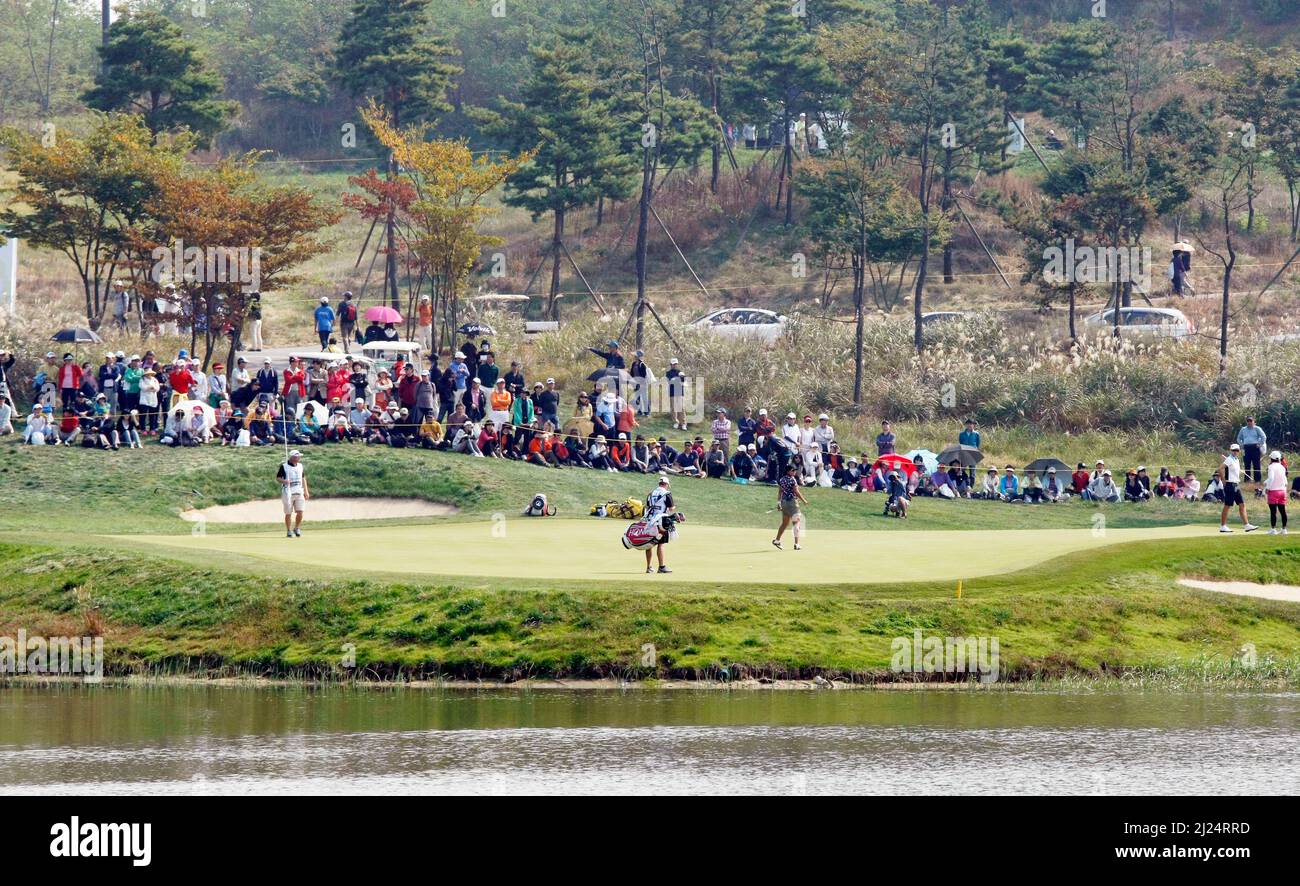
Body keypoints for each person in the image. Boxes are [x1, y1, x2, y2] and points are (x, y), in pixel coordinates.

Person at [1219, 443, 1257, 533]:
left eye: (1237, 450)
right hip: (1230, 485)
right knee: (1227, 505)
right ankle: (1223, 526)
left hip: (1236, 484)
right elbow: (1220, 469)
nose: (1235, 452)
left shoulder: (1236, 460)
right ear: (1231, 450)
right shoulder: (1229, 459)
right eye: (1233, 450)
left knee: (1242, 504)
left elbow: (1234, 471)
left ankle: (1247, 525)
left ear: (1239, 451)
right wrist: (1223, 480)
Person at [643, 476, 676, 574]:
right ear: (666, 484)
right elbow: (670, 508)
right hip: (661, 522)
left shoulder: (651, 493)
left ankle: (648, 567)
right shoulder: (667, 493)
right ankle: (661, 567)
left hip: (650, 522)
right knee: (660, 544)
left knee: (649, 544)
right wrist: (674, 507)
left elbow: (648, 507)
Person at [773, 463, 808, 550]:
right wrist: (804, 500)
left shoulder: (782, 479)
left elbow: (780, 492)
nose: (795, 472)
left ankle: (777, 540)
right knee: (796, 523)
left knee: (785, 523)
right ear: (788, 471)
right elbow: (796, 491)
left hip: (784, 502)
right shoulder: (793, 480)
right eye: (793, 470)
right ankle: (796, 544)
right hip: (792, 502)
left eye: (795, 470)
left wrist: (778, 503)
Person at [277, 450, 310, 538]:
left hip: (299, 492)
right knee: (288, 513)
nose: (299, 458)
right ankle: (288, 530)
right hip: (288, 492)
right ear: (292, 457)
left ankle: (297, 528)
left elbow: (303, 478)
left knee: (300, 512)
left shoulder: (300, 466)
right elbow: (278, 478)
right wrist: (285, 481)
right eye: (297, 457)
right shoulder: (284, 466)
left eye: (299, 457)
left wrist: (306, 491)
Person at [1236, 417, 1266, 484]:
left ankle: (1257, 480)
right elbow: (1238, 438)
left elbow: (1263, 437)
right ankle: (1247, 480)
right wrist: (1241, 444)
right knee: (1247, 464)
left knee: (1256, 464)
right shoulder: (1243, 429)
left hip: (1255, 447)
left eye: (1250, 421)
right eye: (1248, 421)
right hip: (1246, 448)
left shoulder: (1257, 428)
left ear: (1253, 421)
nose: (1249, 422)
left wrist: (1260, 444)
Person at [1266, 451, 1288, 535]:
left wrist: (1267, 488)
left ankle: (1273, 529)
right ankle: (1284, 529)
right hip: (1282, 491)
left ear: (1271, 458)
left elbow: (1271, 478)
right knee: (1283, 511)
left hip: (1273, 491)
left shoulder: (1271, 467)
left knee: (1273, 512)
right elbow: (1285, 480)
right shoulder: (1282, 467)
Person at [666, 358, 687, 430]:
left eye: (676, 364)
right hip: (672, 392)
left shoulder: (680, 372)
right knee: (674, 408)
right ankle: (676, 422)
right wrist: (678, 378)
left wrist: (682, 377)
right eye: (673, 364)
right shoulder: (668, 373)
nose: (675, 365)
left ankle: (683, 424)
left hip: (680, 392)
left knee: (682, 408)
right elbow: (670, 381)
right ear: (671, 365)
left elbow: (683, 381)